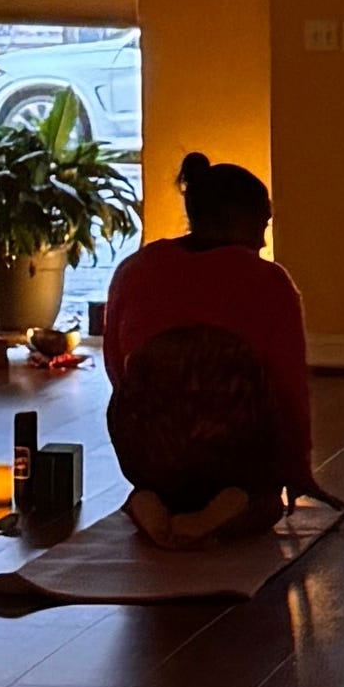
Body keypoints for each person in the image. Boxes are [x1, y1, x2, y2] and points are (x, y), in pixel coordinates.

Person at [93, 152, 322, 547]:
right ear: (238, 219)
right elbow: (288, 386)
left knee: (167, 486)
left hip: (152, 455)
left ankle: (150, 500)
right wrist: (297, 468)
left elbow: (117, 367)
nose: (263, 239)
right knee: (264, 503)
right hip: (234, 454)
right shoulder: (267, 281)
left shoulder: (136, 268)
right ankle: (227, 509)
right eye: (263, 224)